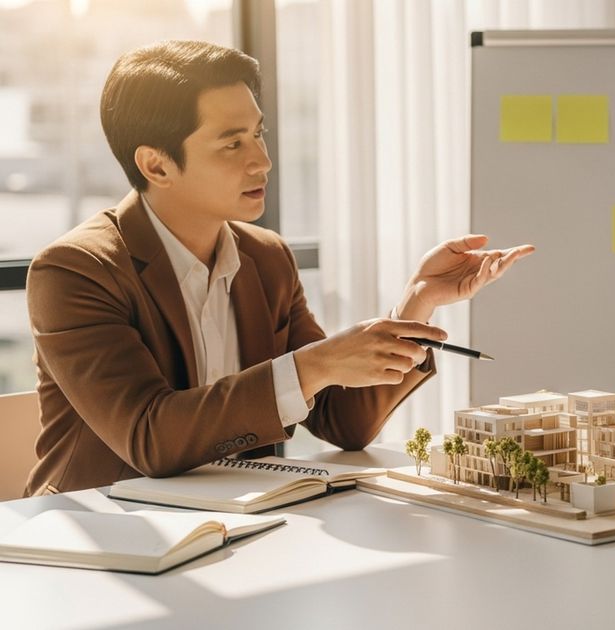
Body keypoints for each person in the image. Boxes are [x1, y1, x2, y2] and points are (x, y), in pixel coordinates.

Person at [23, 40, 534, 496]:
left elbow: (343, 423)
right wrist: (313, 365)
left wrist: (416, 301)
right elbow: (148, 438)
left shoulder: (266, 257)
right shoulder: (75, 271)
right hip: (104, 540)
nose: (262, 161)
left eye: (258, 134)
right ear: (157, 165)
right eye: (232, 143)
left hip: (236, 528)